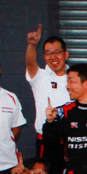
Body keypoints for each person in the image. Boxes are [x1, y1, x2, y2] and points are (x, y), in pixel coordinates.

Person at [23, 24, 69, 154]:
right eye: (48, 53)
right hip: (46, 139)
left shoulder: (75, 77)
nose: (53, 57)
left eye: (57, 52)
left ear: (66, 54)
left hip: (70, 140)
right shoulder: (40, 77)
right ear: (44, 57)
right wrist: (32, 45)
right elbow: (30, 63)